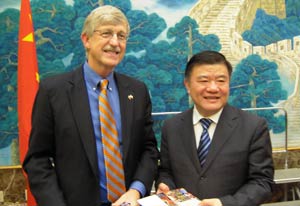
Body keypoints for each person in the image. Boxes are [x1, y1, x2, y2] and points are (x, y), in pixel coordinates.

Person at [22, 5, 159, 206]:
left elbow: (149, 149)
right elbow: (37, 160)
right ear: (86, 39)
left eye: (121, 36)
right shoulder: (54, 91)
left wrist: (136, 190)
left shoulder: (137, 91)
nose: (115, 42)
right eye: (106, 33)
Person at [156, 51, 274, 206]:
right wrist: (165, 185)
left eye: (221, 81)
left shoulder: (254, 127)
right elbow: (166, 171)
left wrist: (224, 204)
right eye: (204, 80)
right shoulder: (171, 127)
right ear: (187, 85)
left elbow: (262, 182)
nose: (213, 88)